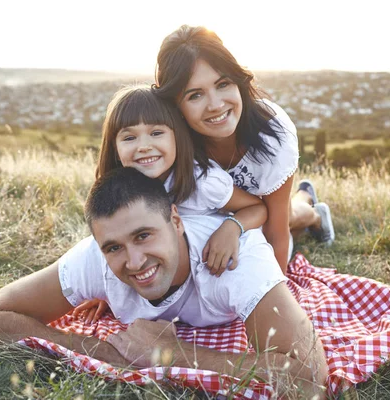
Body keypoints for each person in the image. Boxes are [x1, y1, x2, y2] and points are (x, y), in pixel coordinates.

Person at [0, 168, 329, 398]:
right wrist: (99, 350)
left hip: (241, 230)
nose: (134, 263)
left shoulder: (241, 260)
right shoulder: (95, 259)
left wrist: (171, 354)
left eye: (144, 236)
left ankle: (308, 203)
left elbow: (312, 379)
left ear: (176, 220)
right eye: (114, 247)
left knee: (286, 220)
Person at [74, 85, 269, 323]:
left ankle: (307, 206)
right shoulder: (116, 194)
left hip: (233, 245)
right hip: (178, 273)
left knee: (293, 223)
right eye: (129, 137)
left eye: (156, 133)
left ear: (176, 135)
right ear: (115, 147)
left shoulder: (203, 181)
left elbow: (257, 208)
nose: (144, 146)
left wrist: (231, 228)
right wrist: (108, 293)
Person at [153, 25, 335, 272]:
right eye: (195, 95)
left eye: (223, 84)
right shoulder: (167, 139)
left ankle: (314, 214)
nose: (216, 105)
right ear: (175, 105)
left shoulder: (272, 136)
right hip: (229, 214)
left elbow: (276, 232)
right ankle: (306, 196)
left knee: (281, 215)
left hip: (261, 214)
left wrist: (277, 300)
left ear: (237, 81)